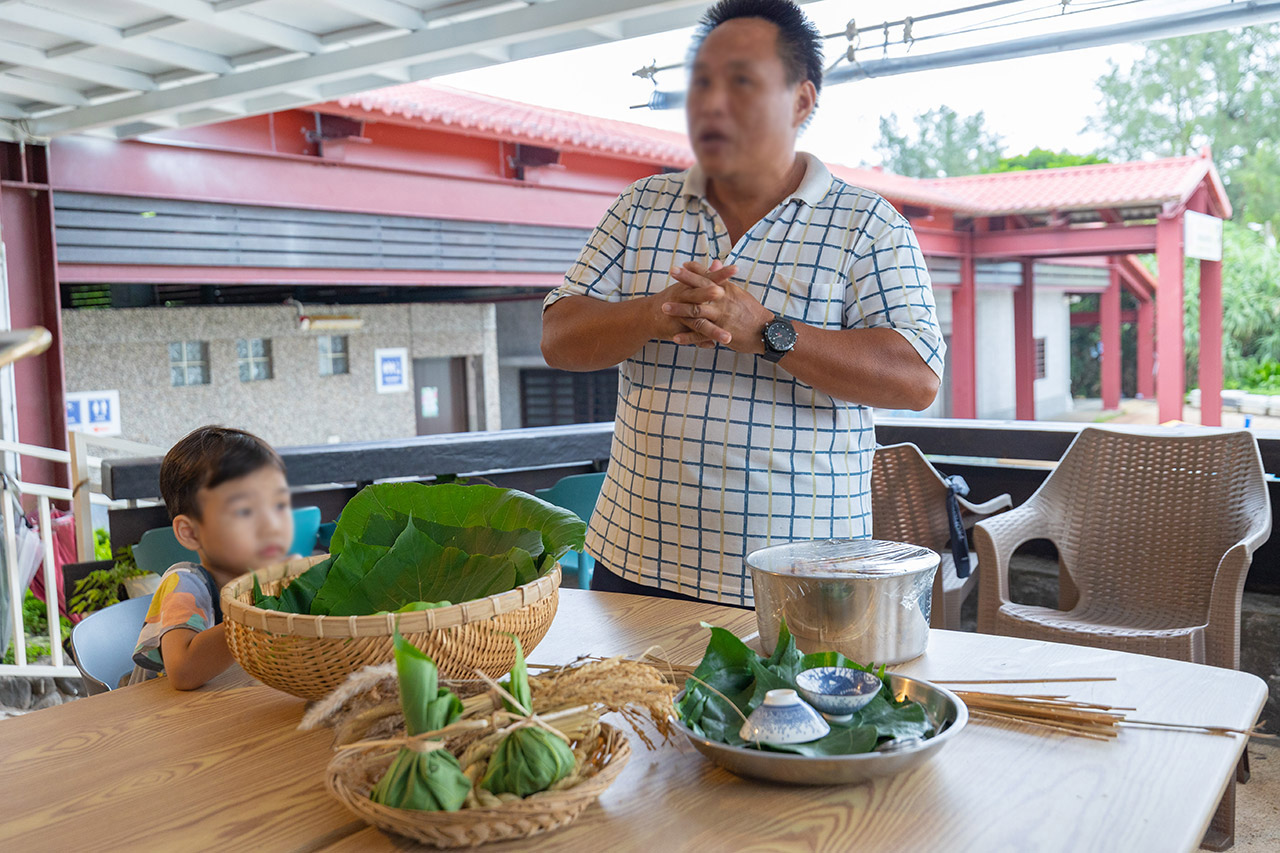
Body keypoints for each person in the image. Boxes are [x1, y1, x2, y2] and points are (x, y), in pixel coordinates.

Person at [540, 0, 945, 608]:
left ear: (801, 101)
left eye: (742, 81)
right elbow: (557, 338)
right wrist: (656, 312)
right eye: (702, 81)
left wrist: (767, 331)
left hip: (803, 574)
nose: (713, 101)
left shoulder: (868, 224)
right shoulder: (640, 205)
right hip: (636, 560)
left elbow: (916, 378)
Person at [129, 426, 294, 689]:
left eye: (278, 506)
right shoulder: (186, 584)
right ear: (191, 533)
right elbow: (183, 672)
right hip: (163, 713)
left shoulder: (262, 581)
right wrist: (261, 610)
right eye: (245, 511)